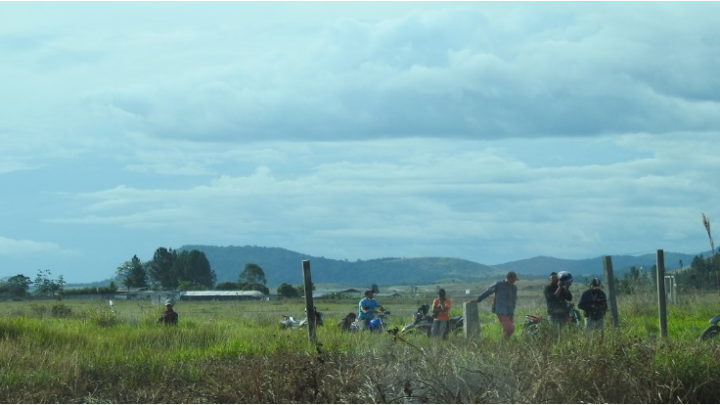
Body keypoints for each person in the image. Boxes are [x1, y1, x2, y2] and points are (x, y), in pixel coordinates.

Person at [468, 271, 518, 339]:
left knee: (508, 330)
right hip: (501, 310)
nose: (514, 281)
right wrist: (478, 299)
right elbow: (487, 292)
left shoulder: (514, 287)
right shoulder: (498, 284)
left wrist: (512, 310)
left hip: (510, 311)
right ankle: (503, 342)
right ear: (508, 278)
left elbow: (514, 300)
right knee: (510, 329)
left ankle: (505, 344)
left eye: (514, 280)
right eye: (513, 280)